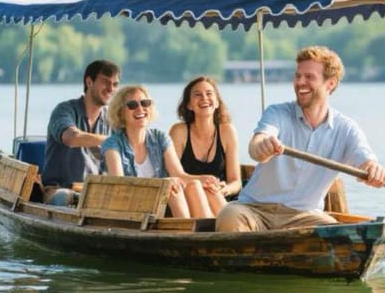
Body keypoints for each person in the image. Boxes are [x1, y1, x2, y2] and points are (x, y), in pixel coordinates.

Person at [215, 46, 385, 232]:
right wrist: (263, 146)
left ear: (330, 83)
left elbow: (366, 162)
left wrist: (374, 170)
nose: (300, 82)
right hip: (254, 210)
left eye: (309, 77)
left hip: (304, 217)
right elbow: (256, 146)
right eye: (297, 76)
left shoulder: (346, 128)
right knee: (229, 215)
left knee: (337, 234)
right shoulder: (277, 112)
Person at [102, 85, 211, 219]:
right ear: (120, 112)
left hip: (162, 205)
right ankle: (185, 229)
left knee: (194, 185)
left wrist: (204, 179)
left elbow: (179, 175)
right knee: (170, 188)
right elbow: (120, 185)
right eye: (132, 105)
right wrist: (162, 184)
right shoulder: (113, 144)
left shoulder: (160, 137)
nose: (140, 109)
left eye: (145, 103)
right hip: (131, 207)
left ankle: (205, 230)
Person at [42, 60, 120, 206]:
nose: (111, 89)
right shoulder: (64, 110)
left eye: (115, 84)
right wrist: (108, 140)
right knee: (65, 197)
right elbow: (71, 138)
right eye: (105, 82)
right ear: (89, 82)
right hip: (59, 191)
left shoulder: (112, 120)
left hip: (94, 192)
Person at [168, 76, 241, 218]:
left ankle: (221, 226)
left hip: (219, 197)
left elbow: (236, 182)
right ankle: (220, 227)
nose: (204, 98)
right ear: (189, 105)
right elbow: (172, 174)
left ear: (217, 102)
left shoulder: (227, 131)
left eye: (209, 93)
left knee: (209, 189)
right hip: (188, 200)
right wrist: (202, 181)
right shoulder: (179, 131)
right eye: (198, 94)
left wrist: (225, 188)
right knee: (197, 186)